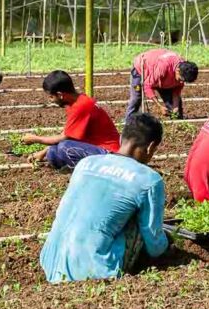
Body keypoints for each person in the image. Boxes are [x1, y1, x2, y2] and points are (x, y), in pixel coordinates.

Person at [39, 113, 170, 283]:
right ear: (151, 147)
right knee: (140, 221)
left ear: (122, 138)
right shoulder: (148, 179)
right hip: (93, 271)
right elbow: (155, 246)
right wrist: (170, 246)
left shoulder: (86, 163)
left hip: (50, 260)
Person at [22, 70, 121, 169]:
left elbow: (64, 138)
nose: (50, 100)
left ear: (60, 95)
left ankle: (88, 170)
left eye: (51, 97)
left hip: (109, 153)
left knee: (63, 147)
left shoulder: (81, 106)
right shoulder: (75, 103)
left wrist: (35, 139)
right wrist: (43, 152)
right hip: (95, 147)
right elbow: (69, 134)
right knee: (52, 153)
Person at [125, 48, 199, 121]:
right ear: (177, 71)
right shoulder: (163, 67)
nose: (181, 82)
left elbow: (177, 90)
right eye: (180, 79)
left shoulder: (184, 70)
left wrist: (175, 107)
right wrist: (159, 106)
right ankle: (128, 120)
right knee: (136, 98)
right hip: (141, 70)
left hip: (164, 79)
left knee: (174, 109)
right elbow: (147, 85)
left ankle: (177, 120)